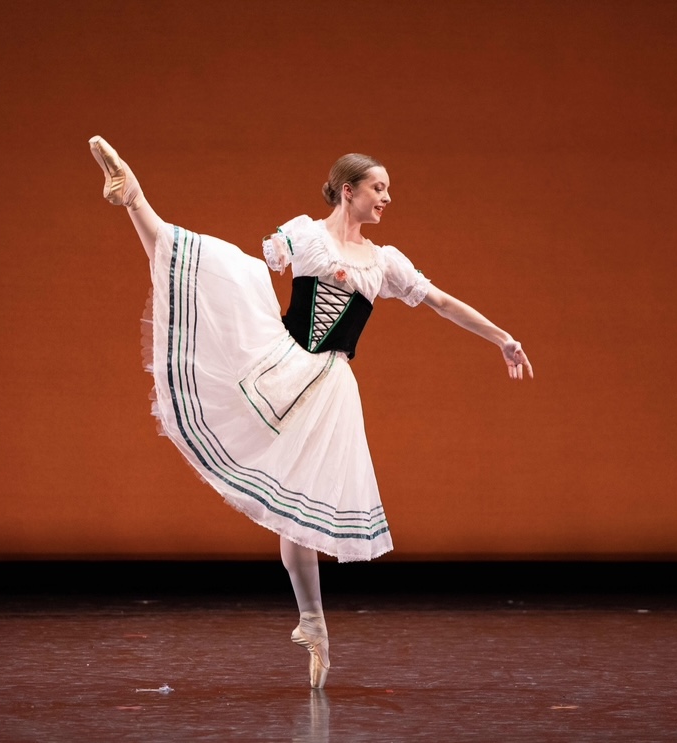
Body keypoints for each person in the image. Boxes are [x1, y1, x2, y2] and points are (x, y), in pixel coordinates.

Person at [88, 136, 532, 688]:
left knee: (298, 511)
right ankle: (134, 196)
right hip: (283, 363)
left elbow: (440, 301)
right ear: (349, 192)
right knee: (215, 265)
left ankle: (312, 624)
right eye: (379, 187)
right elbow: (265, 261)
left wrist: (501, 337)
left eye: (388, 189)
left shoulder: (384, 262)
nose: (387, 197)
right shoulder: (306, 235)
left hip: (330, 391)